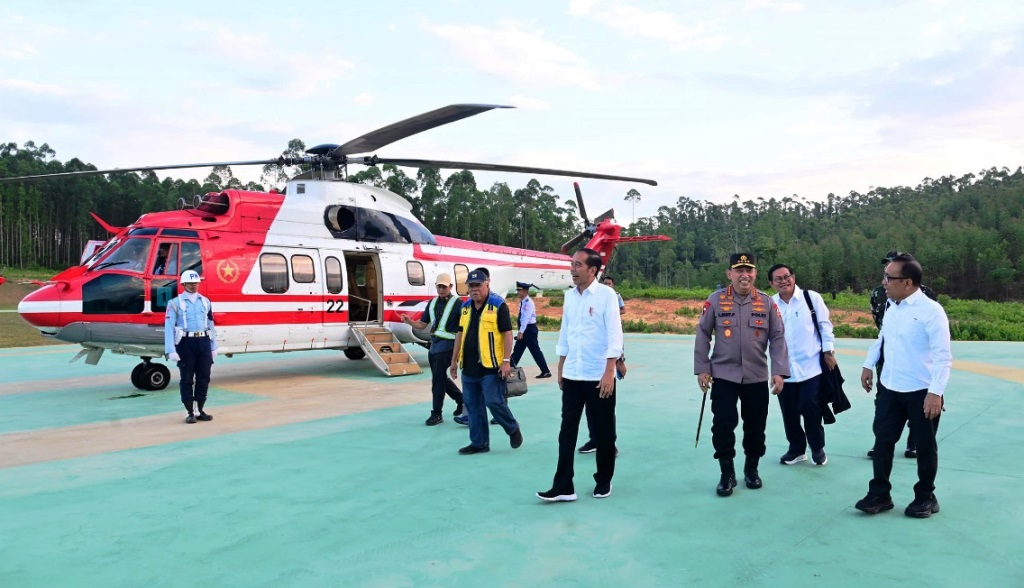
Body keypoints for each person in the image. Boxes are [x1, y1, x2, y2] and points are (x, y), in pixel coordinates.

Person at [856, 253, 951, 518]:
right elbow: (882, 337)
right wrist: (868, 363)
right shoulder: (891, 306)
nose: (884, 282)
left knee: (924, 445)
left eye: (889, 278)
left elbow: (943, 356)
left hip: (921, 391)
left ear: (907, 282)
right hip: (890, 387)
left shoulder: (931, 311)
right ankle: (879, 493)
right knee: (883, 441)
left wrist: (936, 393)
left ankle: (925, 496)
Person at [694, 253, 789, 497]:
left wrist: (779, 371)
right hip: (724, 376)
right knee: (723, 425)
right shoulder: (715, 301)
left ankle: (751, 469)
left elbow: (778, 338)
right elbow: (703, 334)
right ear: (729, 273)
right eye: (739, 270)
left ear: (755, 273)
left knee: (756, 427)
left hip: (756, 376)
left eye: (749, 270)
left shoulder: (767, 303)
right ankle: (727, 474)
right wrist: (703, 367)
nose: (744, 275)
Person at [537, 248, 623, 502]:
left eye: (577, 265)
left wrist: (610, 372)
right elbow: (566, 333)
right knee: (567, 431)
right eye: (571, 264)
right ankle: (563, 486)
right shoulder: (570, 297)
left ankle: (603, 480)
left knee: (604, 432)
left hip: (599, 376)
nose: (572, 269)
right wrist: (562, 366)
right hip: (574, 375)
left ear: (592, 270)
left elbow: (614, 336)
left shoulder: (607, 296)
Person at [868, 250, 940, 459]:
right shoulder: (878, 293)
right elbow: (879, 324)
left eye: (893, 266)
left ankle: (913, 443)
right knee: (884, 400)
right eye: (887, 266)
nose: (887, 277)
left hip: (916, 360)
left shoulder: (926, 295)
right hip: (889, 353)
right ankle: (882, 441)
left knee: (918, 405)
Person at [768, 264, 838, 467]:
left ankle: (817, 448)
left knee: (810, 408)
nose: (784, 281)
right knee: (788, 412)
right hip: (784, 370)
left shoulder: (811, 298)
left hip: (811, 367)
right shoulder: (770, 304)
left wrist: (828, 351)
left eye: (786, 276)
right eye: (778, 279)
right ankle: (797, 449)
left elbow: (825, 326)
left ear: (793, 277)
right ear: (771, 283)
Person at [449, 268, 524, 454]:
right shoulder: (465, 307)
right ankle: (479, 443)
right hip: (469, 367)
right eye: (471, 285)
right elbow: (460, 333)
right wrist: (454, 360)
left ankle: (512, 428)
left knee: (493, 401)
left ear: (487, 284)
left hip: (491, 367)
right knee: (473, 406)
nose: (474, 289)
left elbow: (507, 333)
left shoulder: (498, 305)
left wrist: (506, 361)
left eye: (478, 285)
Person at [401, 273, 465, 425]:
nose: (442, 289)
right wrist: (410, 321)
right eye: (439, 286)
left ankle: (437, 413)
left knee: (438, 380)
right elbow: (423, 324)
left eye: (444, 286)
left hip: (448, 345)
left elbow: (462, 328)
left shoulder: (458, 303)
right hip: (435, 345)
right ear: (436, 286)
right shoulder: (433, 303)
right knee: (440, 377)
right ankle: (461, 400)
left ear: (451, 287)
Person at [577, 274, 625, 455]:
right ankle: (595, 439)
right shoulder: (586, 301)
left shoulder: (612, 302)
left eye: (610, 284)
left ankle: (609, 443)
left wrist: (620, 361)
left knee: (605, 408)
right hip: (588, 367)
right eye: (605, 284)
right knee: (590, 407)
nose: (607, 286)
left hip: (607, 367)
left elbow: (617, 338)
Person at [164, 270, 217, 424]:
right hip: (185, 343)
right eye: (191, 283)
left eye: (196, 282)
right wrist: (171, 350)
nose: (194, 285)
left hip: (204, 341)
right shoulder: (174, 303)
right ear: (183, 284)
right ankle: (189, 411)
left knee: (204, 377)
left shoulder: (206, 302)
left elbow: (211, 324)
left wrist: (214, 346)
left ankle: (200, 409)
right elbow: (169, 326)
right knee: (186, 378)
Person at [510, 281, 552, 378]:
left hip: (529, 330)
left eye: (519, 290)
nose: (518, 292)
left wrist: (521, 331)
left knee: (535, 351)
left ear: (525, 291)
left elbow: (526, 318)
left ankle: (546, 371)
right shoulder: (523, 302)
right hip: (526, 330)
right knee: (517, 351)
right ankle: (510, 368)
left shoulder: (528, 303)